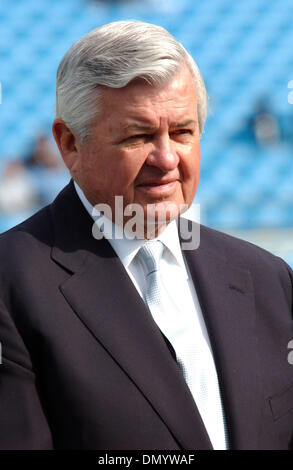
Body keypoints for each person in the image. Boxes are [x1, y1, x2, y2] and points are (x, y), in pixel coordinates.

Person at [0, 20, 292, 451]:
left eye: (182, 132)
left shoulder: (268, 279)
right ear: (69, 144)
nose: (167, 157)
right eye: (138, 136)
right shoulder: (12, 284)